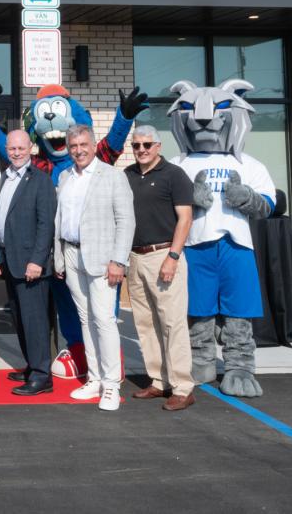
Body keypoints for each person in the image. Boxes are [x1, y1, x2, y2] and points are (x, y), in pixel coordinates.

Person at [53, 124, 135, 412]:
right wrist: (60, 258)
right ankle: (95, 378)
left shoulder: (112, 176)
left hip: (103, 259)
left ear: (93, 143)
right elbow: (60, 219)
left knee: (104, 320)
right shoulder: (64, 176)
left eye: (83, 145)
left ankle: (111, 384)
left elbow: (126, 221)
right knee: (86, 319)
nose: (79, 151)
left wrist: (118, 260)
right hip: (72, 254)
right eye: (73, 146)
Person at [125, 125, 195, 411]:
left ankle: (182, 386)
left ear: (158, 146)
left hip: (163, 255)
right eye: (137, 146)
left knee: (172, 323)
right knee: (145, 322)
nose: (141, 150)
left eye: (147, 145)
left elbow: (185, 218)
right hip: (135, 257)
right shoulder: (127, 175)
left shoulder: (174, 175)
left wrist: (173, 257)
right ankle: (158, 380)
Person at [0, 130, 58, 396]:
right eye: (12, 149)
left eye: (21, 148)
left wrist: (37, 261)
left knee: (35, 321)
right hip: (10, 259)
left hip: (31, 265)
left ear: (30, 148)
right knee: (19, 319)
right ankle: (33, 366)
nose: (16, 153)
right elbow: (2, 218)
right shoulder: (5, 177)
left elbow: (46, 225)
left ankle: (42, 376)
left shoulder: (40, 181)